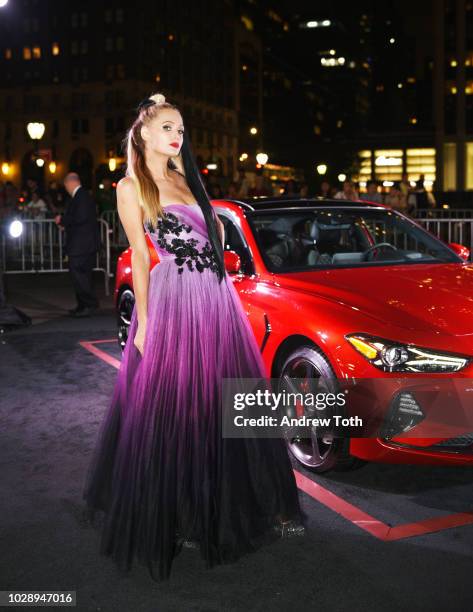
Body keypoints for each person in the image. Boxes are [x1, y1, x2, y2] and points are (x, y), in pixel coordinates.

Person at [81, 92, 304, 582]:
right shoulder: (130, 186)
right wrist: (146, 320)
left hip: (214, 299)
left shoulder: (187, 179)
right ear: (143, 133)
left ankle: (255, 503)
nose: (176, 135)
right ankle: (182, 515)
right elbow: (141, 256)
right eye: (167, 126)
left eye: (180, 128)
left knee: (226, 402)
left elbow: (215, 240)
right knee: (178, 409)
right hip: (174, 302)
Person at [55, 172, 100, 317]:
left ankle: (89, 304)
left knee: (80, 275)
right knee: (81, 275)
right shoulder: (82, 196)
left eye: (65, 185)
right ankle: (82, 305)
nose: (66, 188)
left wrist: (62, 220)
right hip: (82, 244)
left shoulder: (81, 197)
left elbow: (79, 218)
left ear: (70, 183)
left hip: (82, 245)